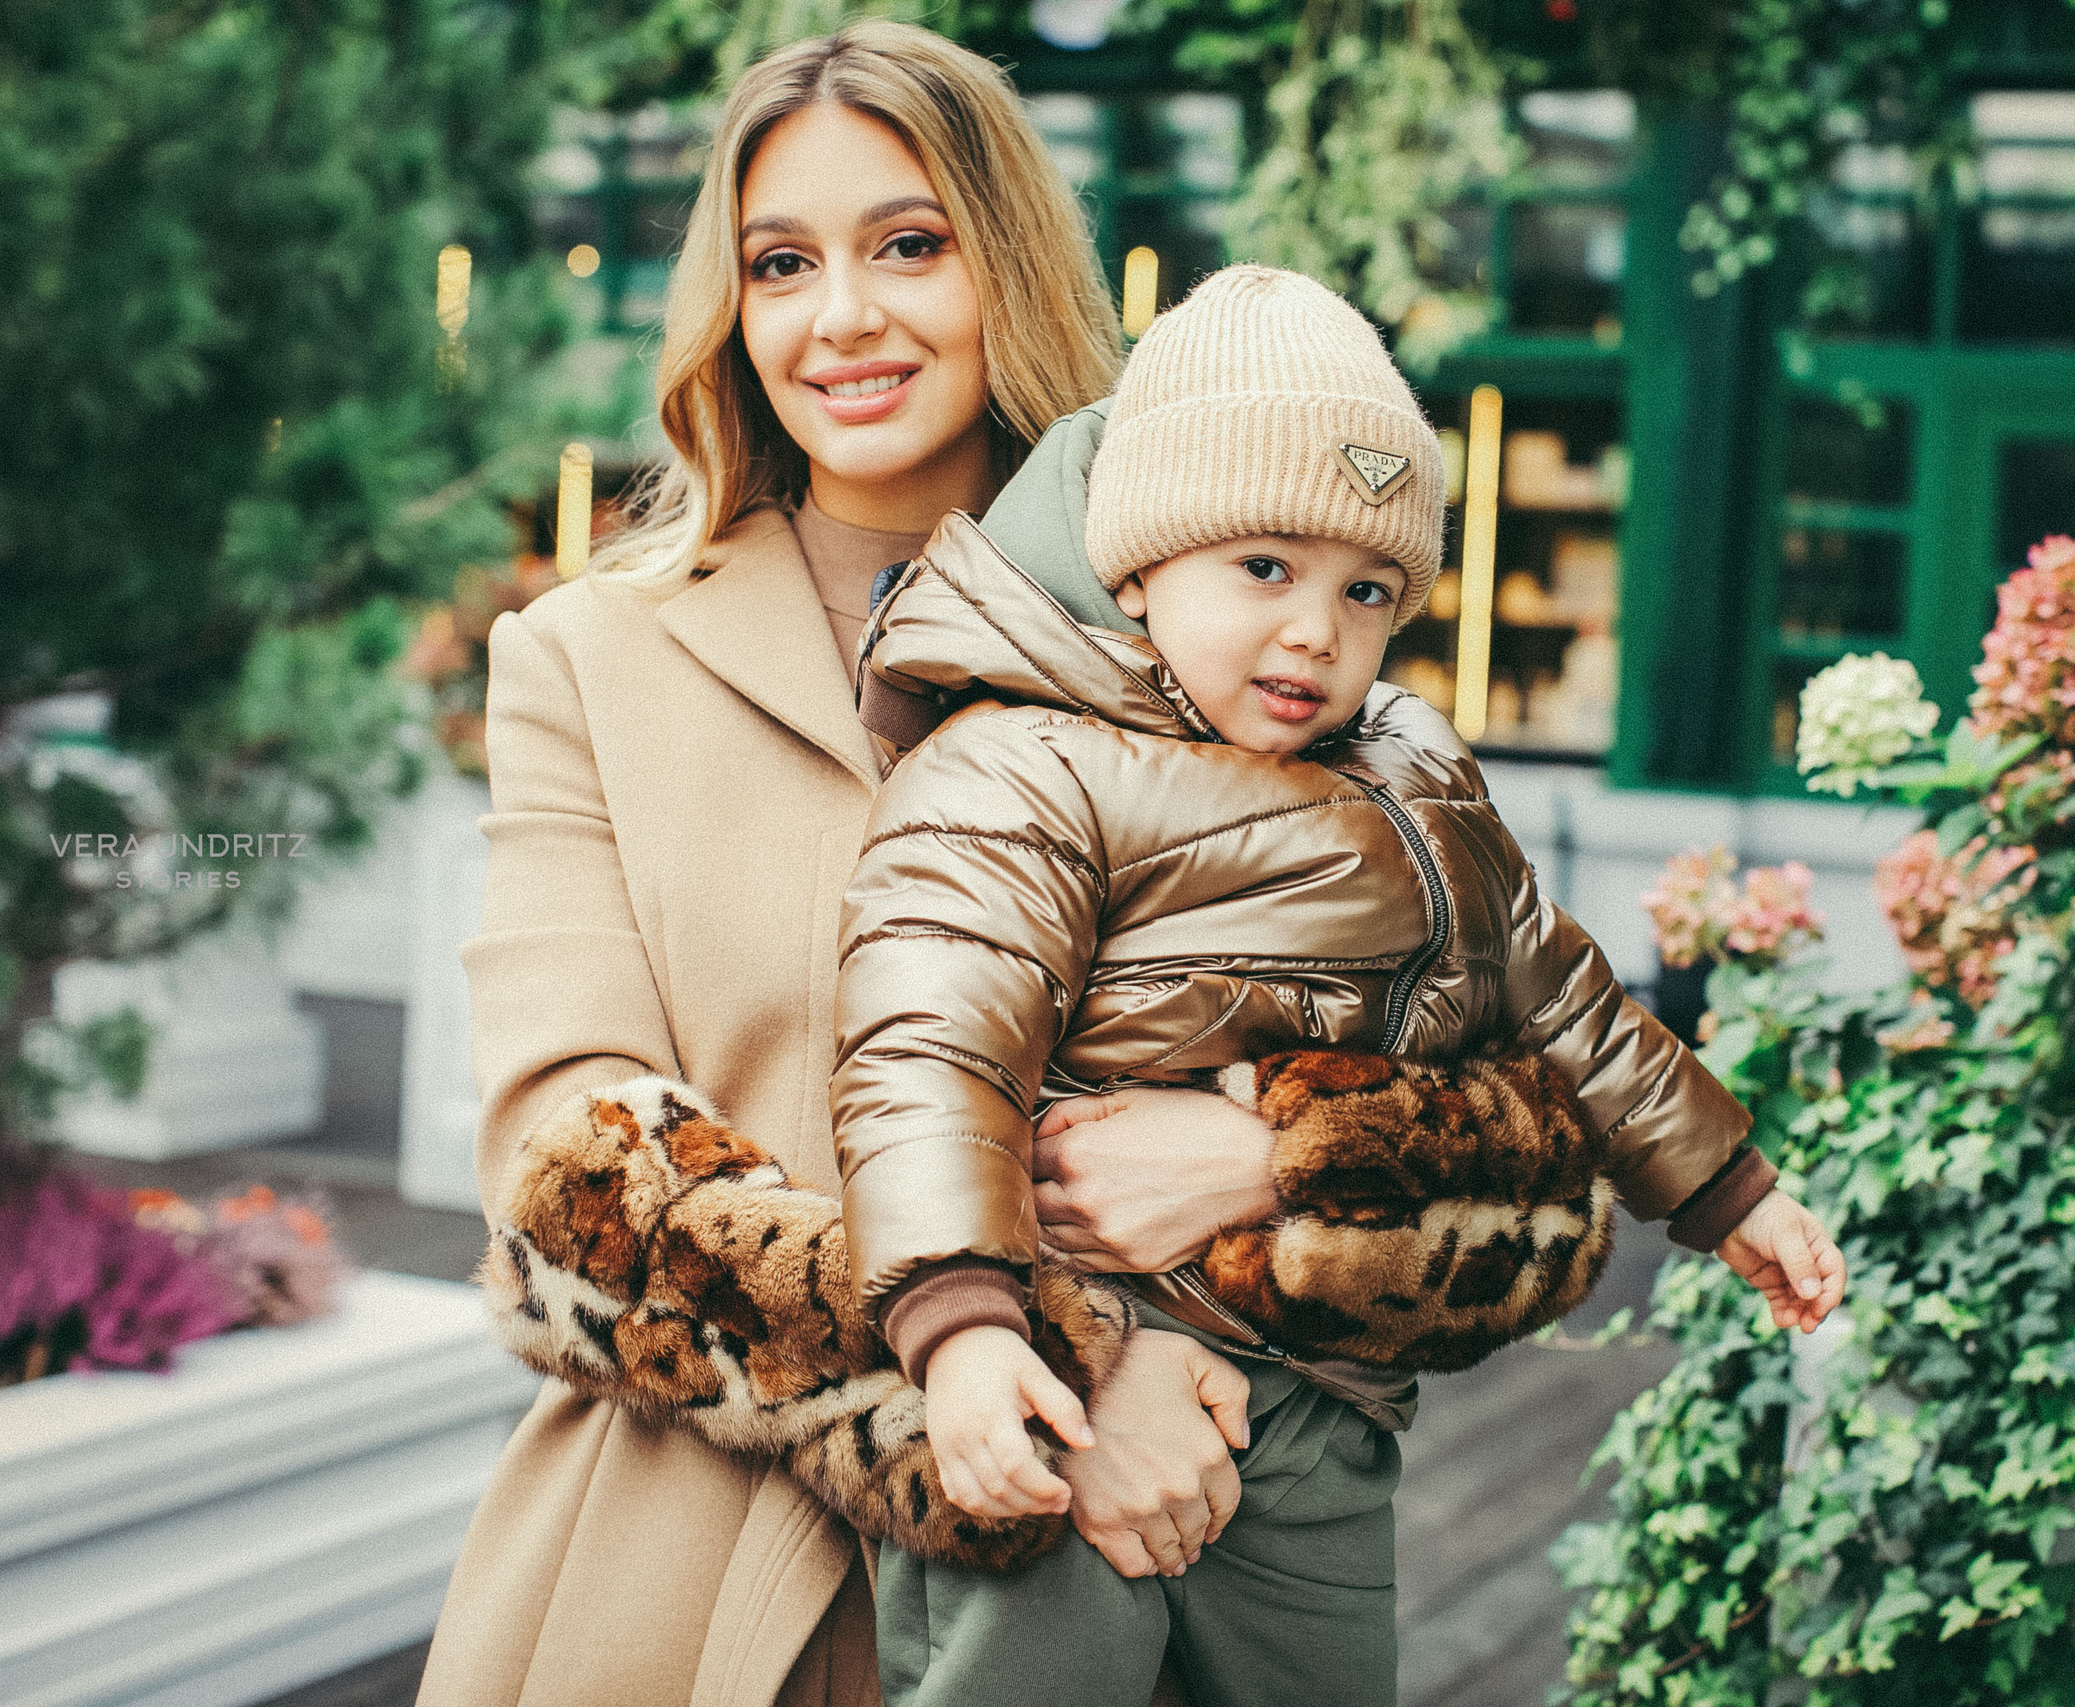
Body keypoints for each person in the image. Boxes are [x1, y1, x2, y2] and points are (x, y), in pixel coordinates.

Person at [418, 25, 1701, 1707]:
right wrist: (1064, 1370)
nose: (841, 315)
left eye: (909, 244)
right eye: (782, 263)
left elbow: (1542, 1175)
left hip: (1145, 1590)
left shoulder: (1252, 625)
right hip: (701, 1575)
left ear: (1008, 264)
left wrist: (1271, 1162)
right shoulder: (594, 656)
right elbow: (568, 1168)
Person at [830, 265, 1846, 1707]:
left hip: (1328, 1392)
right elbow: (930, 1052)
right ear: (1140, 567)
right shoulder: (1022, 763)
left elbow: (1568, 1001)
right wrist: (966, 1328)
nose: (1317, 629)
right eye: (1265, 568)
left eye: (1366, 589)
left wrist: (1728, 1190)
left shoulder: (1415, 772)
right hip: (1088, 1359)